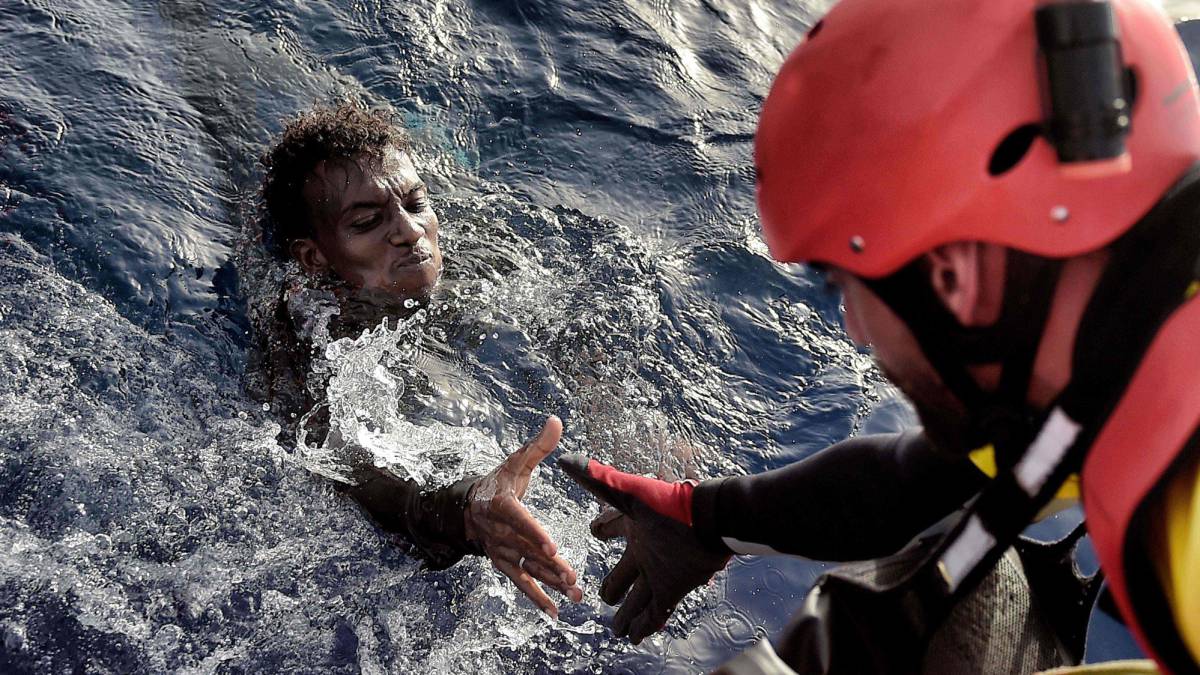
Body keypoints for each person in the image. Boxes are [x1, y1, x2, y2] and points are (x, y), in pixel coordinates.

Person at [560, 0, 1200, 672]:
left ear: (952, 278)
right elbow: (907, 485)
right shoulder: (1116, 363)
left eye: (845, 284)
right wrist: (701, 517)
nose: (852, 327)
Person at [254, 102, 583, 618]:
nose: (409, 230)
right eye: (367, 222)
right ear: (314, 258)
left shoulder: (482, 261)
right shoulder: (311, 337)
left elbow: (573, 336)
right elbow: (342, 462)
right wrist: (465, 512)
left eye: (416, 202)